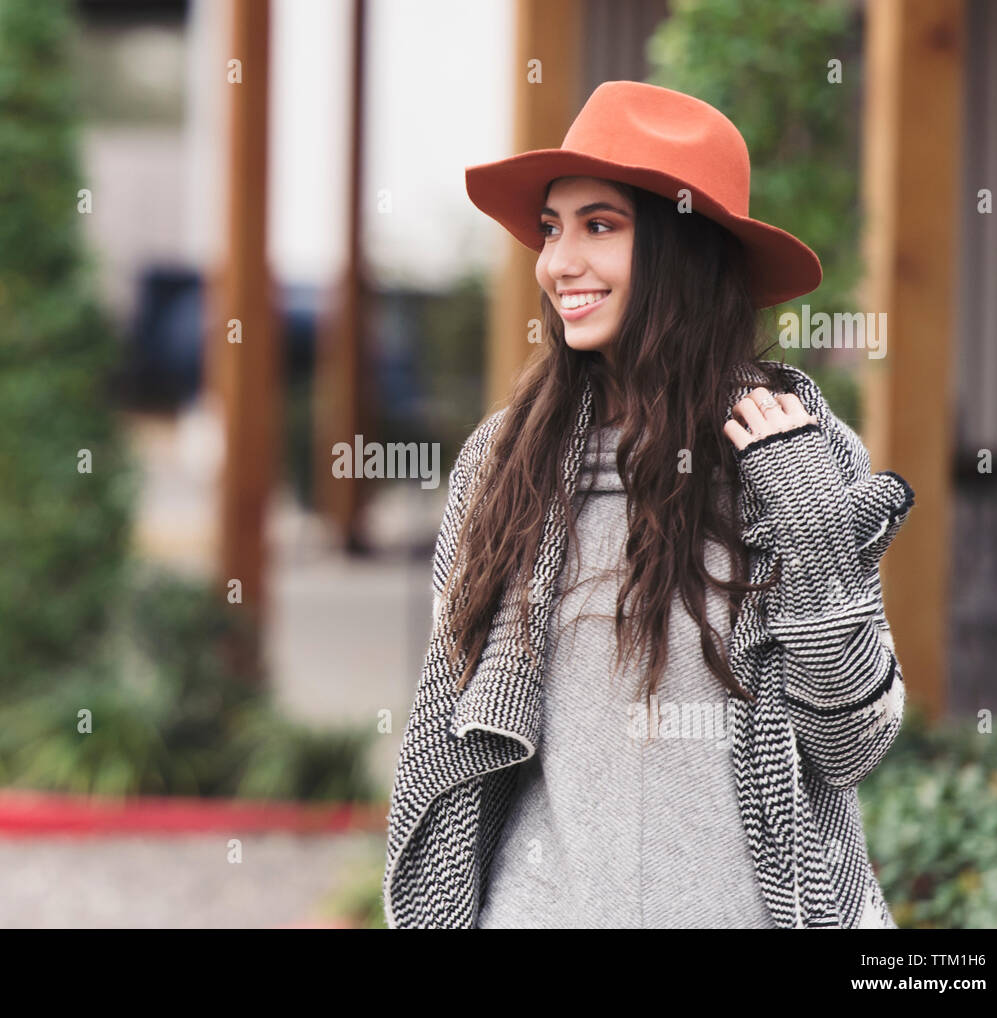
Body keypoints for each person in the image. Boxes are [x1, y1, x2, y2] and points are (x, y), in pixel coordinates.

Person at [382, 80, 917, 929]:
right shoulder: (505, 462)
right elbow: (451, 735)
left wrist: (811, 530)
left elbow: (849, 745)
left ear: (684, 250)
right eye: (552, 228)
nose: (559, 262)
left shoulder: (798, 456)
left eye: (601, 226)